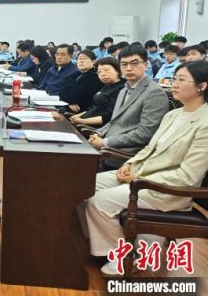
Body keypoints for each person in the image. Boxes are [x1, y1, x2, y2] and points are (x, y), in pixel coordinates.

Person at [86, 60, 208, 275]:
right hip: (142, 175)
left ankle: (124, 257)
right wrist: (129, 164)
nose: (174, 84)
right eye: (174, 78)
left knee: (100, 202)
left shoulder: (204, 123)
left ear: (202, 86)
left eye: (181, 80)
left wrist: (137, 177)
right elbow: (149, 149)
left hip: (167, 189)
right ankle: (103, 241)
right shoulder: (173, 114)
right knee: (82, 185)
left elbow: (188, 176)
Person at [88, 45, 169, 155]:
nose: (129, 68)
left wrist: (105, 142)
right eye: (124, 64)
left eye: (134, 63)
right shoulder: (124, 90)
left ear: (146, 65)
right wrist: (98, 133)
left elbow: (145, 133)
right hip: (107, 147)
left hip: (124, 153)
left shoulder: (154, 92)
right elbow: (114, 121)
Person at [70, 57, 125, 127]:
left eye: (106, 70)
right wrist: (77, 116)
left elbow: (109, 116)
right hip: (84, 122)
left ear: (117, 71)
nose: (103, 74)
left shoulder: (122, 88)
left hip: (94, 128)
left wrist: (82, 121)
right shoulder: (106, 86)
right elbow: (93, 107)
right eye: (99, 72)